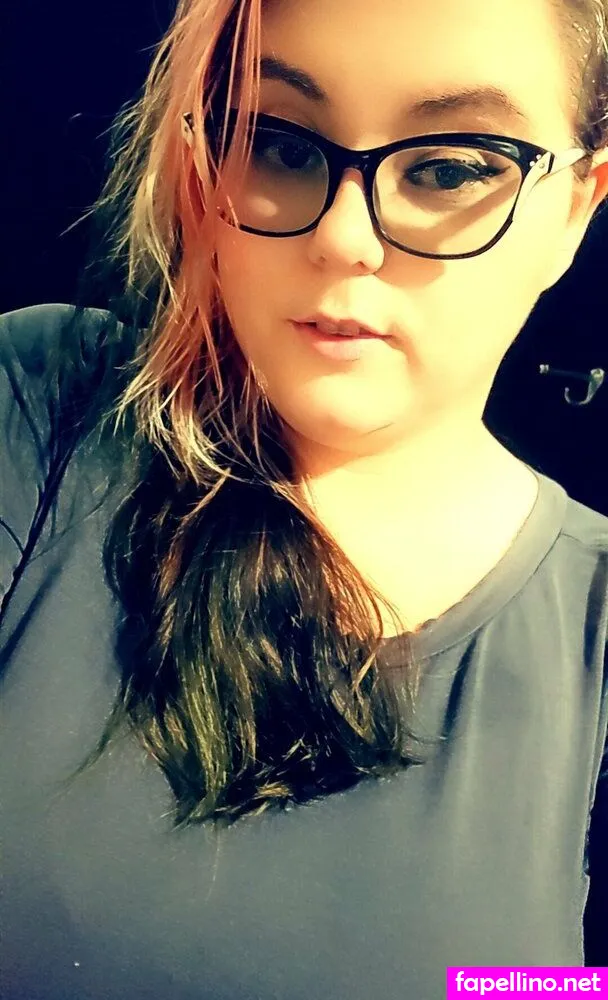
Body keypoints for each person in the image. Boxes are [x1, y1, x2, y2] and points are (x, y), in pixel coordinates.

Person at [2, 0, 608, 996]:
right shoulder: (39, 416)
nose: (343, 238)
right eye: (277, 144)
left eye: (450, 168)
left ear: (577, 207)